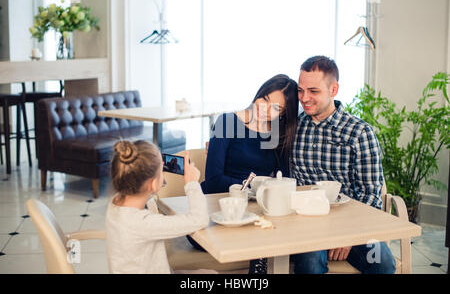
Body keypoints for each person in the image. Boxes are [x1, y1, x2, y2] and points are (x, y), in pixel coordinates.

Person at [290, 55, 396, 274]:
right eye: (300, 90)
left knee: (383, 263)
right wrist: (220, 142)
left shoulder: (359, 133)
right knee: (311, 263)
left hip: (352, 222)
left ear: (334, 90)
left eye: (313, 91)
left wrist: (349, 235)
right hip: (306, 225)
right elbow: (257, 134)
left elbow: (371, 194)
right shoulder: (293, 128)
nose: (304, 98)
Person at [200, 74, 299, 273]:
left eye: (276, 108)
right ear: (258, 95)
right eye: (265, 99)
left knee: (287, 235)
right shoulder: (228, 122)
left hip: (256, 210)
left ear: (283, 114)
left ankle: (258, 260)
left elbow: (283, 180)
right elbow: (213, 181)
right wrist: (256, 187)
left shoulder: (278, 133)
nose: (264, 109)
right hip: (217, 205)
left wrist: (262, 191)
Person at [106, 140, 215, 274]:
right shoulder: (142, 223)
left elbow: (147, 196)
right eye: (161, 171)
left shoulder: (116, 202)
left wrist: (156, 176)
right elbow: (199, 219)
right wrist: (192, 183)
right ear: (151, 184)